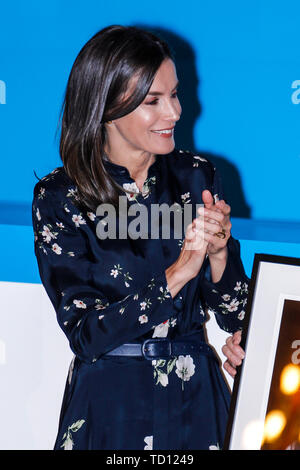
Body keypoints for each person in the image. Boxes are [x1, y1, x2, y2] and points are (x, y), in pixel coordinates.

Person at [32, 25, 249, 450]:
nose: (175, 112)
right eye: (153, 101)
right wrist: (177, 273)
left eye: (174, 94)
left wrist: (221, 255)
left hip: (198, 399)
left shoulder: (197, 175)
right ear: (105, 107)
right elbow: (86, 334)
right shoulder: (60, 197)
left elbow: (234, 315)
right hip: (111, 405)